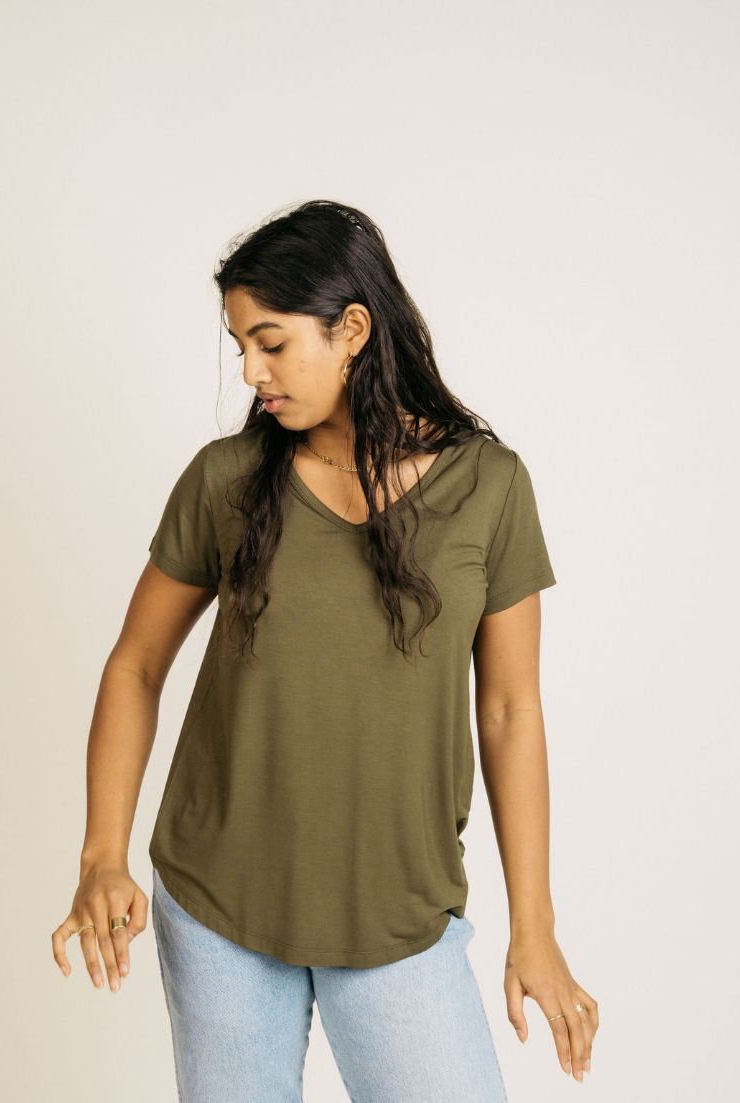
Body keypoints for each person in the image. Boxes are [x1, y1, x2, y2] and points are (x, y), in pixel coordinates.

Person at [51, 200, 598, 1101]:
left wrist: (533, 928)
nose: (251, 371)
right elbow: (135, 664)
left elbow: (510, 710)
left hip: (397, 917)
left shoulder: (490, 487)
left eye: (270, 342)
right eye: (240, 346)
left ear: (352, 329)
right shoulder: (226, 480)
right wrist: (100, 855)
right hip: (218, 910)